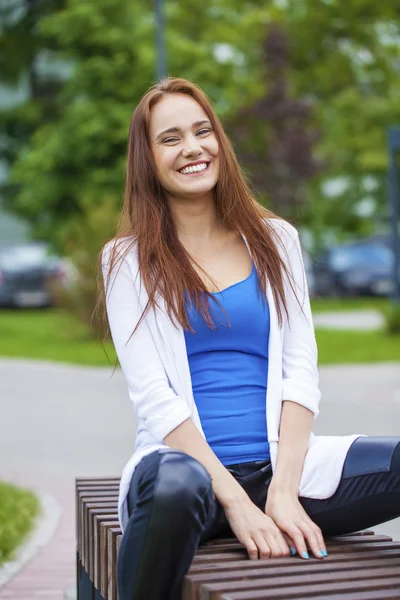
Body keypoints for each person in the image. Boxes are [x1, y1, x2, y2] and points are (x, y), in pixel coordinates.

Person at [100, 77, 400, 600]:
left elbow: (301, 371)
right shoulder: (126, 261)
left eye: (202, 131)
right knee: (174, 487)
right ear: (147, 158)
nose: (193, 148)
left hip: (284, 468)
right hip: (188, 480)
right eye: (170, 138)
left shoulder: (276, 240)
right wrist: (238, 503)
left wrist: (282, 492)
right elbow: (154, 398)